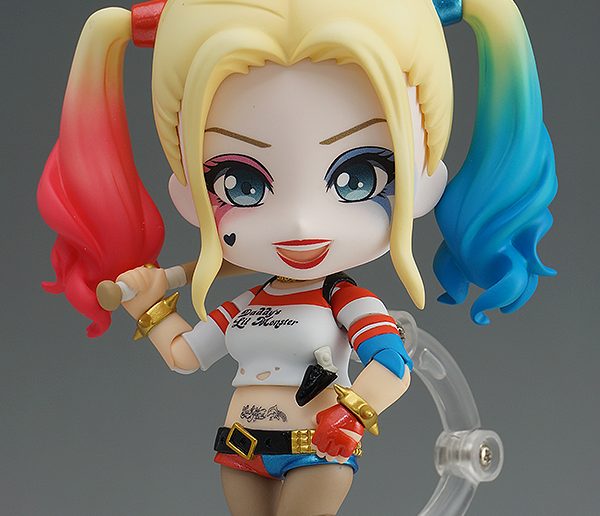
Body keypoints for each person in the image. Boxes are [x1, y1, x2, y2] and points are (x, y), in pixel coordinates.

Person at [38, 1, 556, 514]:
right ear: (188, 193)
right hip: (240, 450)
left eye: (358, 178)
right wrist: (148, 306)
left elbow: (392, 364)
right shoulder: (249, 302)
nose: (301, 224)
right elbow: (184, 356)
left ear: (423, 183)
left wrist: (352, 416)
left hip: (316, 450)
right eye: (240, 184)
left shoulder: (344, 299)